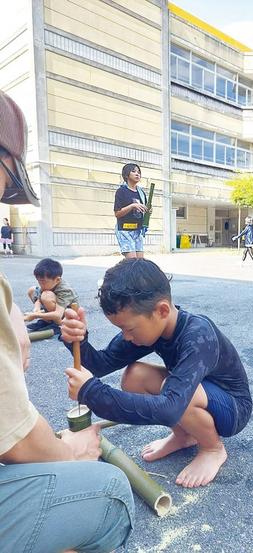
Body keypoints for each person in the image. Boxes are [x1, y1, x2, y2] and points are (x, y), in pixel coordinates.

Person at [0, 90, 134, 553]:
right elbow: (14, 438)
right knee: (109, 491)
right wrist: (71, 455)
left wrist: (28, 319)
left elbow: (95, 355)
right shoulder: (42, 293)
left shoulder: (192, 337)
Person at [61, 258, 253, 489]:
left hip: (232, 408)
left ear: (162, 310)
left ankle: (212, 449)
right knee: (134, 376)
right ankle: (184, 436)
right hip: (195, 394)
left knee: (176, 395)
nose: (126, 336)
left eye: (128, 329)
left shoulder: (198, 335)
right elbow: (101, 365)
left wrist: (92, 392)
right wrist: (78, 341)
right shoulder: (153, 325)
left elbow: (170, 409)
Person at [24, 257, 79, 334]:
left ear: (57, 280)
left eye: (43, 282)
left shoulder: (65, 290)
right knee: (32, 290)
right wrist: (37, 308)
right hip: (55, 310)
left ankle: (58, 325)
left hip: (65, 317)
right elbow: (38, 298)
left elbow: (58, 314)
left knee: (46, 296)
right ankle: (47, 321)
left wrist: (35, 315)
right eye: (39, 281)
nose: (41, 285)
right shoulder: (48, 285)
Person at [114, 163, 148, 259]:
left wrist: (148, 211)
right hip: (124, 231)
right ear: (126, 175)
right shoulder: (121, 191)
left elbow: (144, 210)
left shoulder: (141, 193)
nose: (137, 174)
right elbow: (117, 213)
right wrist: (132, 206)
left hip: (137, 231)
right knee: (132, 262)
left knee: (140, 262)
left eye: (139, 172)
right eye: (134, 171)